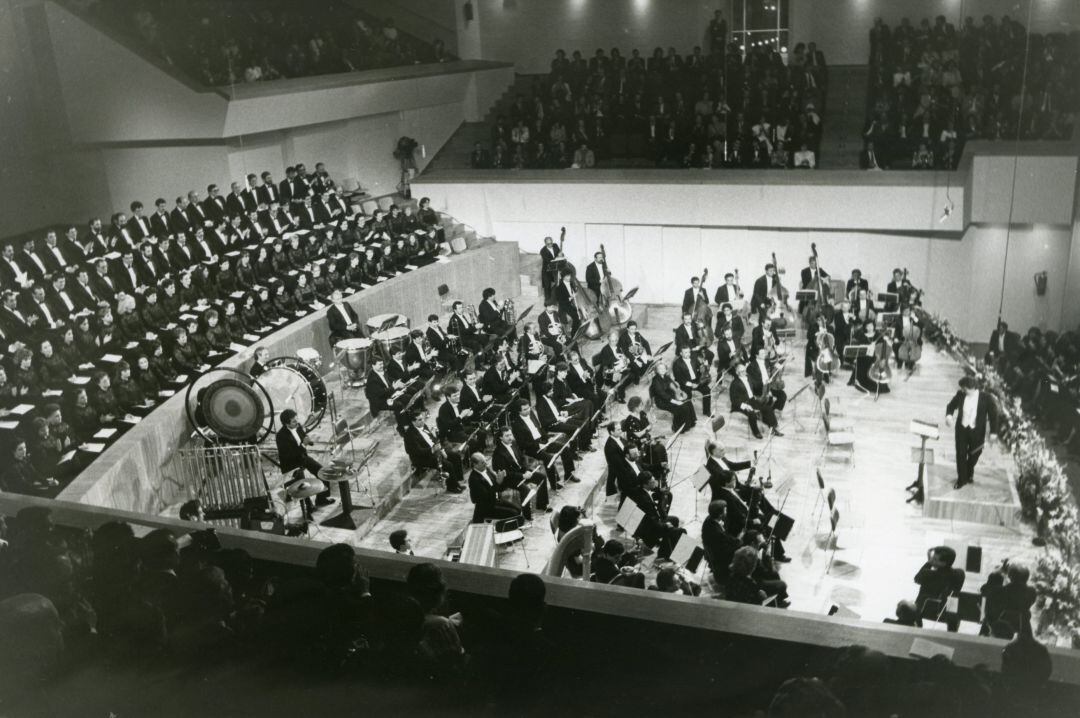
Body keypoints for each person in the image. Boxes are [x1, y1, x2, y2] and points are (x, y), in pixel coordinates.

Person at [945, 375, 999, 489]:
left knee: (975, 454)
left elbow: (994, 415)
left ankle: (969, 472)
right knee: (960, 454)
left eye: (965, 388)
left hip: (977, 432)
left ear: (973, 388)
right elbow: (951, 406)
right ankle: (961, 480)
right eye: (962, 388)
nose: (963, 390)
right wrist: (949, 416)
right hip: (962, 430)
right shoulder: (960, 395)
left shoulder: (986, 398)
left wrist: (993, 432)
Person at [275, 408, 333, 507]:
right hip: (291, 464)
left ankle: (321, 499)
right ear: (286, 424)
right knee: (303, 487)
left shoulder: (297, 426)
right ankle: (308, 508)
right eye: (293, 421)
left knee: (322, 472)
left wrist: (308, 441)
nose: (296, 422)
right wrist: (303, 445)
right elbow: (289, 454)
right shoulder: (281, 436)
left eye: (296, 419)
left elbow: (303, 435)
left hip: (302, 457)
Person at [729, 362, 781, 439]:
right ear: (737, 373)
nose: (744, 373)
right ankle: (756, 432)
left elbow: (757, 385)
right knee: (752, 413)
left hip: (751, 400)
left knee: (768, 408)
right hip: (741, 405)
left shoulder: (748, 377)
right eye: (742, 371)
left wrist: (765, 384)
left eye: (744, 370)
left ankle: (773, 428)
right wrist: (745, 406)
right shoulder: (734, 384)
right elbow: (734, 400)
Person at [467, 452, 521, 525]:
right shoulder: (474, 479)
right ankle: (506, 530)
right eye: (482, 463)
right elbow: (486, 496)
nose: (486, 464)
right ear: (475, 465)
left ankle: (512, 528)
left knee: (518, 509)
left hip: (495, 500)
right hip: (486, 507)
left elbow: (499, 488)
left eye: (485, 461)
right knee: (514, 513)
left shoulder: (487, 469)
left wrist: (502, 479)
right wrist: (498, 483)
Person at [913, 545, 965, 614]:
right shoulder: (959, 574)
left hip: (925, 609)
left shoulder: (929, 573)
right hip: (947, 611)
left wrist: (929, 562)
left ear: (943, 563)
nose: (931, 560)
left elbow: (916, 579)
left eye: (935, 559)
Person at [649, 360, 696, 433]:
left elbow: (674, 384)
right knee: (681, 407)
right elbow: (662, 395)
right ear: (657, 370)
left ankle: (690, 423)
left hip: (671, 396)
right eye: (660, 369)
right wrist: (676, 402)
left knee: (688, 402)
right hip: (662, 401)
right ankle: (677, 428)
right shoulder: (656, 381)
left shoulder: (666, 376)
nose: (662, 370)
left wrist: (677, 388)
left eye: (664, 368)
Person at [701, 500, 740, 585]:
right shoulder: (716, 532)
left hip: (718, 550)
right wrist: (739, 542)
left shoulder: (709, 519)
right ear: (720, 514)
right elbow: (725, 549)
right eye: (725, 510)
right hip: (720, 559)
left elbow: (724, 537)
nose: (726, 512)